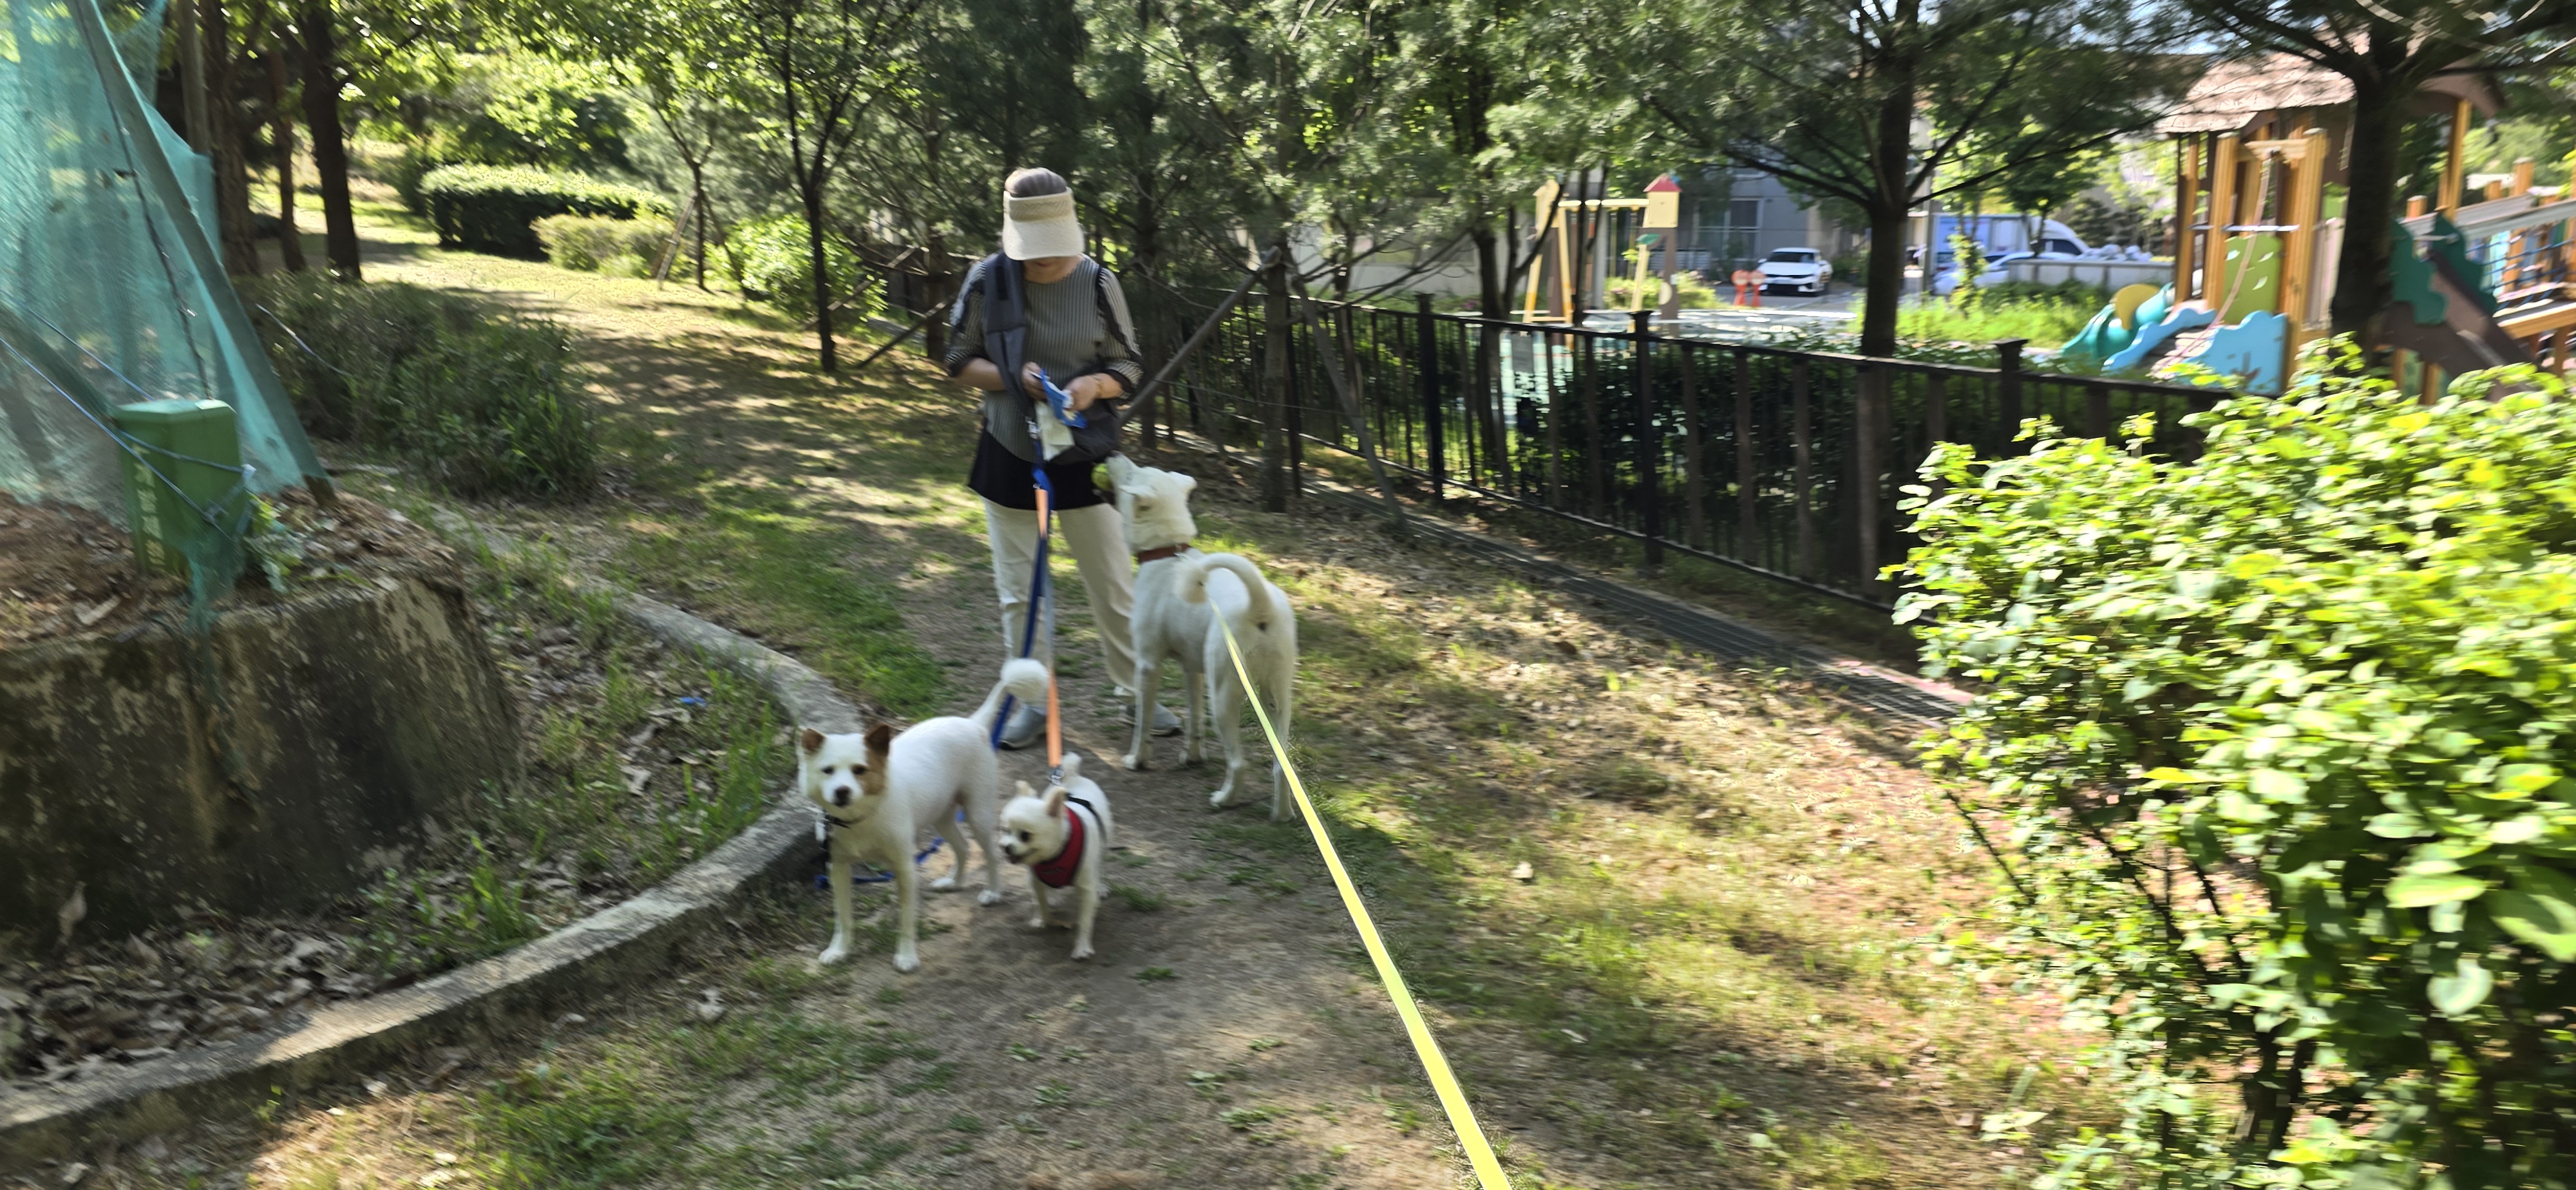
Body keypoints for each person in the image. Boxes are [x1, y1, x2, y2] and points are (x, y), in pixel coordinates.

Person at [944, 167, 1179, 749]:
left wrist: (1093, 387)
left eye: (1054, 252)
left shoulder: (1100, 282)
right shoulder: (988, 281)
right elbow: (955, 360)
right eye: (1033, 254)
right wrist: (1008, 377)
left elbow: (1128, 365)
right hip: (1009, 449)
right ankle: (1031, 703)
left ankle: (1136, 694)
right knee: (1020, 592)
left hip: (1085, 454)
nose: (1044, 264)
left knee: (1113, 585)